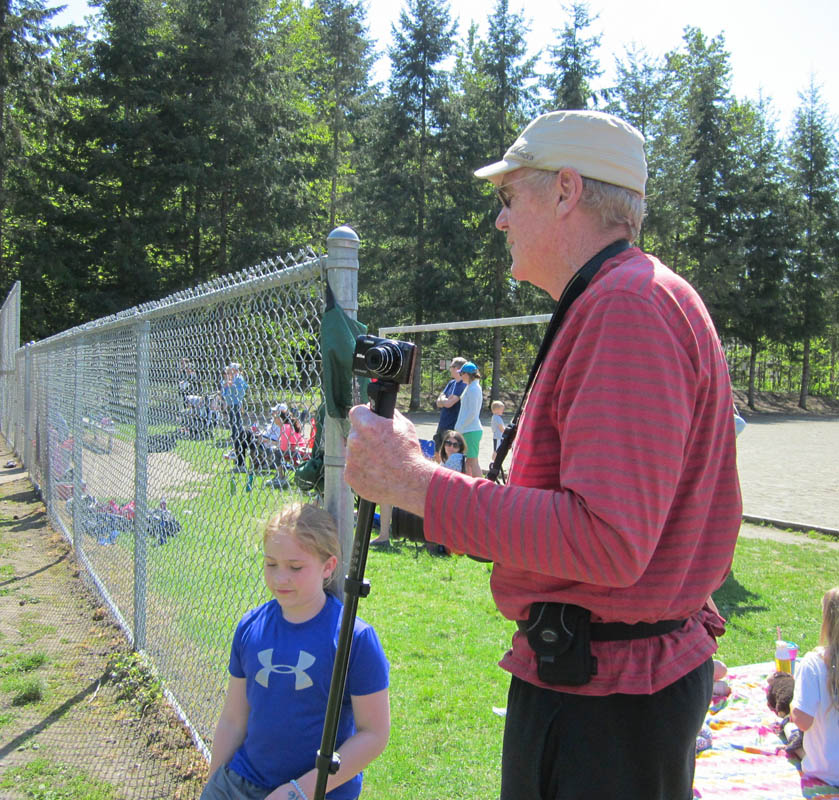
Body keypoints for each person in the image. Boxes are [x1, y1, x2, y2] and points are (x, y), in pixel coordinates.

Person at [344, 109, 742, 799]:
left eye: (507, 198)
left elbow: (607, 541)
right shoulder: (620, 295)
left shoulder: (627, 306)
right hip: (604, 686)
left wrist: (414, 484)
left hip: (604, 707)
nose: (498, 221)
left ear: (564, 191)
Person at [201, 503, 390, 800]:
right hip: (242, 782)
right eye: (270, 564)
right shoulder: (251, 627)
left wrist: (298, 791)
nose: (280, 578)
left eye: (295, 566)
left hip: (319, 792)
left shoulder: (354, 639)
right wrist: (214, 783)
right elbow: (233, 719)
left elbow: (374, 734)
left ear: (328, 566)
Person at [790, 587, 839, 785]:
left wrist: (793, 706)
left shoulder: (814, 663)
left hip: (827, 772)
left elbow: (803, 721)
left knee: (793, 733)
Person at [433, 357, 467, 461]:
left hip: (452, 426)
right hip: (442, 424)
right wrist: (444, 400)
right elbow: (439, 402)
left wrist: (444, 401)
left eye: (451, 366)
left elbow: (449, 404)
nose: (449, 369)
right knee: (437, 451)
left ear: (457, 368)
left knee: (449, 455)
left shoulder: (463, 385)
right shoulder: (451, 383)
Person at [453, 362, 483, 478]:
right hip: (467, 430)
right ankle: (469, 486)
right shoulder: (470, 387)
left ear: (467, 374)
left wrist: (460, 427)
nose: (460, 375)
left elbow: (472, 413)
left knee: (473, 462)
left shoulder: (474, 389)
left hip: (471, 430)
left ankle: (483, 489)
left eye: (462, 373)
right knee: (468, 462)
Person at [221, 363, 248, 473]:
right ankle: (236, 455)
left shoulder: (239, 379)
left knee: (237, 430)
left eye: (231, 370)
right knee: (234, 430)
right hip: (231, 406)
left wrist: (231, 385)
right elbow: (225, 393)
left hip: (236, 405)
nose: (229, 373)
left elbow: (241, 392)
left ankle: (240, 459)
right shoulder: (229, 380)